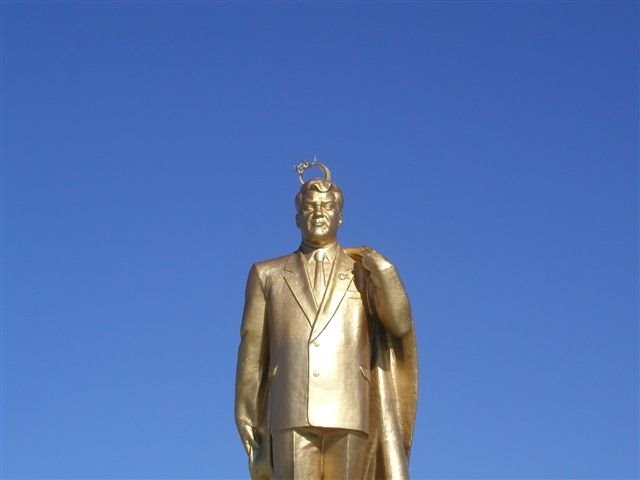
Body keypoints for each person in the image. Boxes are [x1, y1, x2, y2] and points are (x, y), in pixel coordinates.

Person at [235, 162, 418, 479]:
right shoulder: (267, 274)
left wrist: (386, 272)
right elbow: (253, 348)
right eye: (309, 207)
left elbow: (399, 325)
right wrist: (246, 413)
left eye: (326, 206)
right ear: (297, 217)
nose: (318, 213)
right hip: (290, 408)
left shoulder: (364, 272)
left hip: (348, 406)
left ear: (340, 216)